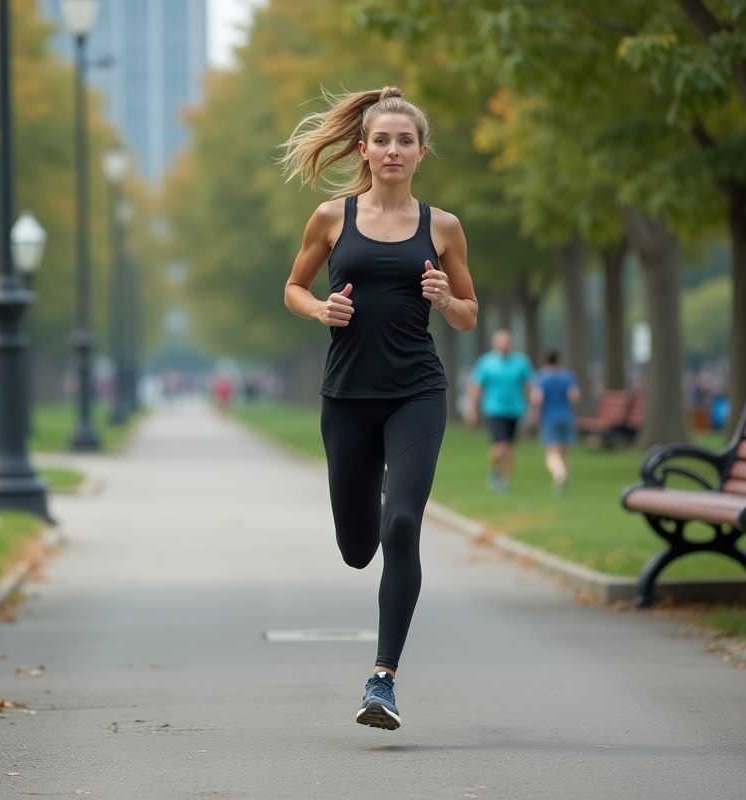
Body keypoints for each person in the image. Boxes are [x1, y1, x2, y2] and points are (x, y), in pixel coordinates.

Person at [281, 86, 478, 730]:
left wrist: (446, 298)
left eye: (405, 140)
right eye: (382, 139)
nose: (393, 150)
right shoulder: (331, 218)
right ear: (363, 149)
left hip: (417, 391)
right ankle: (364, 546)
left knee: (403, 524)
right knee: (358, 547)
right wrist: (319, 308)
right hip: (347, 398)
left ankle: (383, 678)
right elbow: (293, 287)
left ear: (422, 151)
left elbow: (470, 314)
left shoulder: (441, 227)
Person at [466, 329, 532, 493]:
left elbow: (529, 386)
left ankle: (504, 481)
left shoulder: (521, 362)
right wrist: (472, 409)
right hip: (494, 409)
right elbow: (476, 387)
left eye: (508, 342)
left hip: (515, 409)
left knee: (509, 447)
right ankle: (494, 471)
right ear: (495, 344)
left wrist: (532, 408)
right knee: (501, 447)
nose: (505, 345)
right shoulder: (486, 362)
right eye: (502, 342)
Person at [529, 349, 579, 495]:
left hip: (549, 417)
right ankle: (563, 478)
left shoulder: (540, 377)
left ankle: (559, 474)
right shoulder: (568, 376)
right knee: (564, 451)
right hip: (566, 416)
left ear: (544, 360)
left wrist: (534, 416)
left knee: (551, 452)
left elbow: (537, 398)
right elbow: (574, 397)